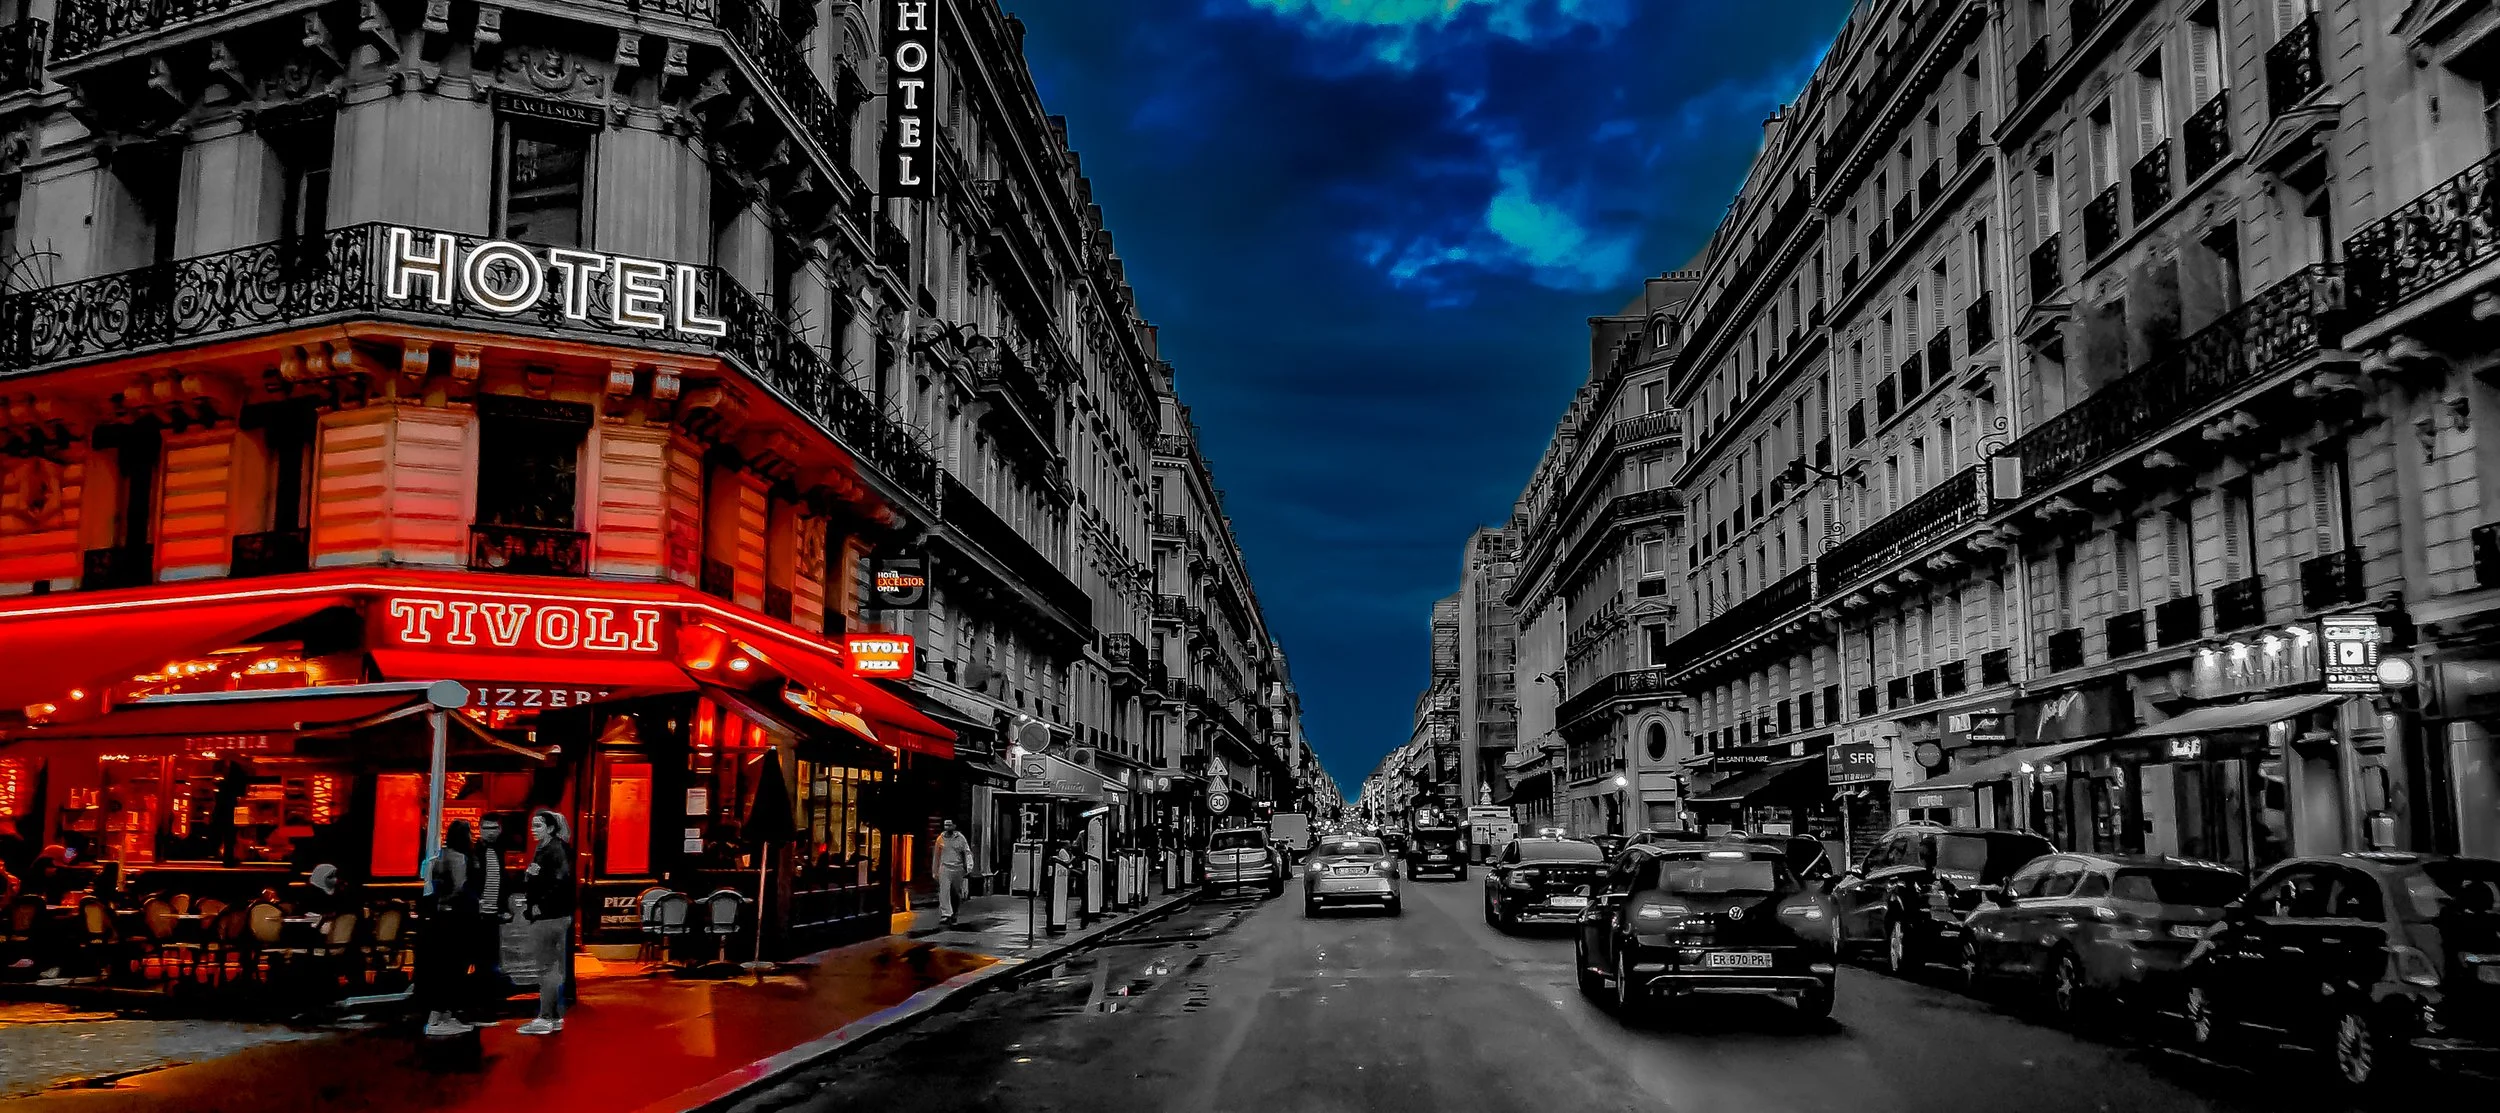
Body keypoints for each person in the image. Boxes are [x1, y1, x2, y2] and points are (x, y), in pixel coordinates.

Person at [516, 809, 574, 1036]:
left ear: (550, 828)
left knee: (546, 966)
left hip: (549, 916)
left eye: (538, 826)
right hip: (555, 915)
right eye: (532, 825)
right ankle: (555, 1015)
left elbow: (558, 881)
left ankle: (546, 1016)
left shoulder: (552, 850)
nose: (533, 830)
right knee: (553, 966)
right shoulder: (551, 849)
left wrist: (540, 904)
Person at [419, 822, 477, 1037]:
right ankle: (439, 1017)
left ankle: (443, 1016)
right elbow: (460, 887)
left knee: (442, 968)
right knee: (454, 969)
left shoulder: (438, 856)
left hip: (439, 918)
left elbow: (428, 882)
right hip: (457, 919)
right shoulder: (460, 858)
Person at [466, 815, 513, 1017]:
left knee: (491, 958)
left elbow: (501, 881)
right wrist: (476, 902)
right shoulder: (473, 852)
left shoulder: (499, 851)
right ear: (479, 829)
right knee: (480, 959)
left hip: (493, 914)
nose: (490, 831)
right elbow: (467, 881)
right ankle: (479, 1005)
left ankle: (487, 1003)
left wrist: (503, 906)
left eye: (494, 828)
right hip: (478, 915)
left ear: (500, 830)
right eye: (486, 828)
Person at [934, 820, 973, 928]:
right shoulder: (940, 839)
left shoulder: (960, 838)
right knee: (944, 891)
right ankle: (946, 914)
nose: (947, 827)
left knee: (955, 893)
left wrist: (969, 866)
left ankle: (954, 913)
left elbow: (967, 852)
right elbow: (936, 856)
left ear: (954, 826)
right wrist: (935, 871)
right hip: (944, 868)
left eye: (949, 824)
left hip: (957, 868)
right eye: (945, 824)